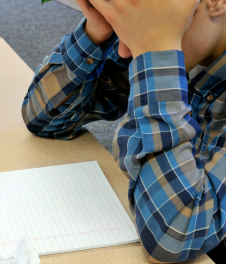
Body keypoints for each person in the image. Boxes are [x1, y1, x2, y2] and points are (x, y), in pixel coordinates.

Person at [22, 0, 226, 262]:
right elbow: (44, 119)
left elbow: (172, 238)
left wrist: (157, 52)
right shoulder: (145, 34)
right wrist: (98, 30)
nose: (125, 50)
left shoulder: (159, 41)